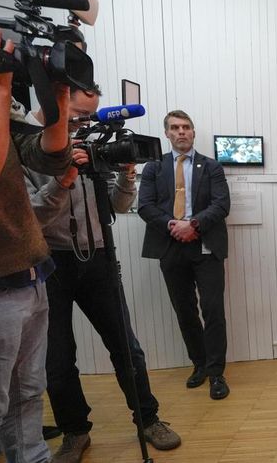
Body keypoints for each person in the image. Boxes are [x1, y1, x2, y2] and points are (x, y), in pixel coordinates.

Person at [23, 84, 181, 462]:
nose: (83, 124)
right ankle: (75, 432)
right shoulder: (26, 147)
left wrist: (126, 177)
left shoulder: (91, 142)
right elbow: (35, 216)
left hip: (98, 258)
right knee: (58, 359)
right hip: (50, 263)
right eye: (77, 116)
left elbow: (118, 205)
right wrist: (64, 177)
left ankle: (149, 419)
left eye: (88, 117)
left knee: (127, 347)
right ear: (54, 104)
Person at [0, 33, 71, 463]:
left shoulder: (7, 112)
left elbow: (50, 154)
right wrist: (4, 86)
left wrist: (57, 93)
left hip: (31, 278)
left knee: (27, 392)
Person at [138, 110, 231, 400]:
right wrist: (172, 226)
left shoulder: (212, 167)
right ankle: (199, 364)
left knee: (213, 310)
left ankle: (217, 373)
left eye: (186, 127)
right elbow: (145, 206)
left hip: (205, 245)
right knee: (185, 310)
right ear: (167, 133)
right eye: (175, 128)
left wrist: (193, 225)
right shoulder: (154, 167)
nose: (181, 132)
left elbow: (221, 204)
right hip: (171, 245)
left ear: (193, 132)